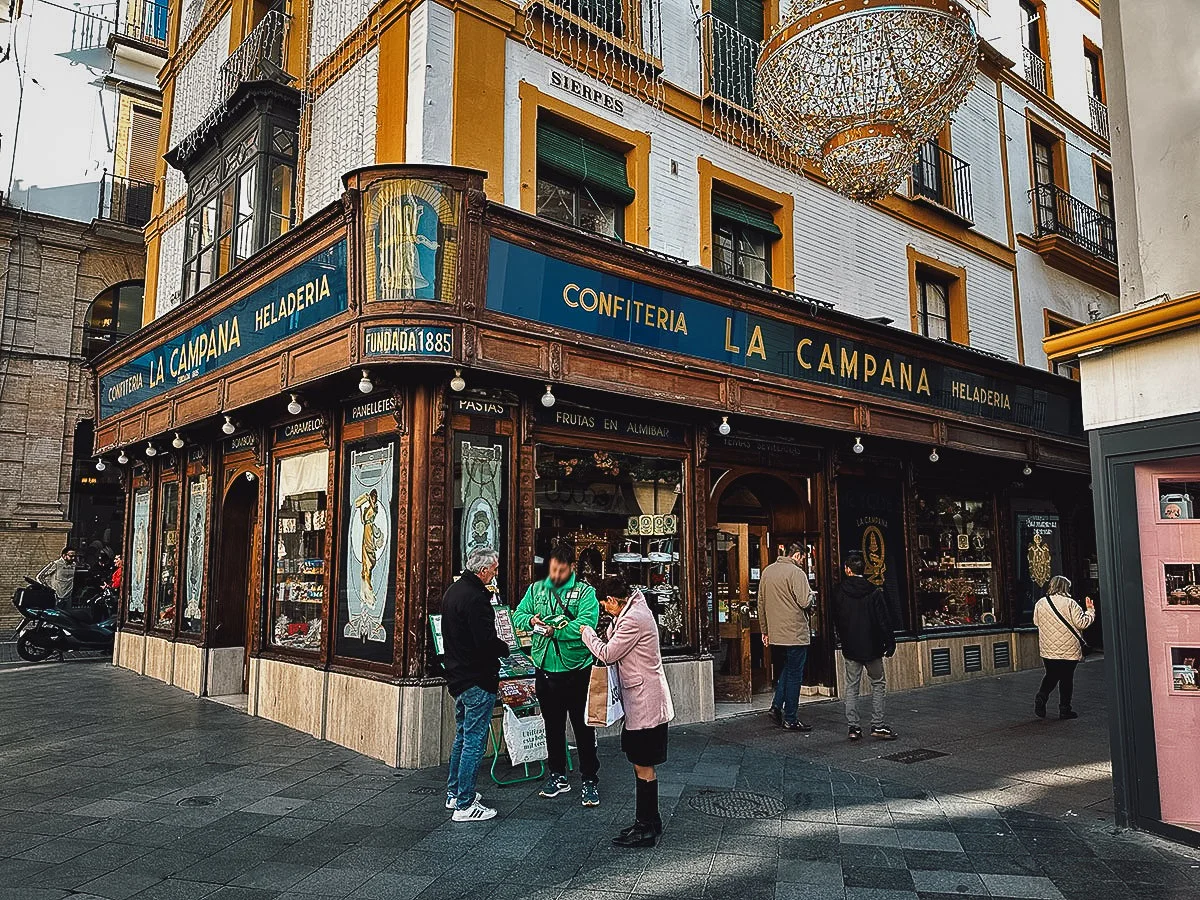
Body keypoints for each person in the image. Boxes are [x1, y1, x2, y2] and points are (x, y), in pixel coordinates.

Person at [581, 577, 674, 847]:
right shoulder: (632, 612)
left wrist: (586, 633)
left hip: (644, 701)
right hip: (642, 699)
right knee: (641, 762)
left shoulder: (634, 618)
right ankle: (649, 821)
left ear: (612, 600)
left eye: (604, 605)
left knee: (642, 763)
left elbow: (608, 653)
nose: (604, 610)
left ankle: (645, 828)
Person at [513, 543, 601, 806]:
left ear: (572, 568)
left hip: (577, 670)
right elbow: (518, 614)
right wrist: (531, 622)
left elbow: (586, 623)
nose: (557, 575)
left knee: (583, 728)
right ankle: (557, 775)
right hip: (545, 668)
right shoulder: (536, 589)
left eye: (562, 570)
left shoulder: (586, 593)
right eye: (553, 570)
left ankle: (589, 779)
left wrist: (555, 630)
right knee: (552, 726)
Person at [441, 546, 509, 822]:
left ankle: (455, 792)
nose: (495, 573)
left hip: (459, 675)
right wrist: (503, 648)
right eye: (493, 569)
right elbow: (484, 641)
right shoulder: (476, 598)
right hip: (477, 678)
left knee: (462, 735)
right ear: (482, 571)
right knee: (474, 740)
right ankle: (465, 804)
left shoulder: (454, 591)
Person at [832, 552, 897, 741]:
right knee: (878, 683)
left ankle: (853, 727)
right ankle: (877, 724)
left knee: (851, 686)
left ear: (847, 569)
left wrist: (840, 637)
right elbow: (883, 619)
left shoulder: (839, 591)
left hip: (851, 645)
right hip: (872, 646)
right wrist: (890, 642)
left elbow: (836, 618)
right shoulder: (874, 590)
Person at [759, 542, 814, 731]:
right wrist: (813, 596)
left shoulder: (767, 571)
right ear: (797, 555)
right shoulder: (796, 573)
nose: (803, 562)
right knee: (794, 675)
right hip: (795, 633)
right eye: (803, 558)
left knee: (786, 670)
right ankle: (790, 717)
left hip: (776, 634)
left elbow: (761, 603)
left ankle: (776, 706)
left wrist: (765, 630)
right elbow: (805, 601)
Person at [1033, 575, 1095, 720]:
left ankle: (1041, 696)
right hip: (1069, 649)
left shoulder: (1041, 603)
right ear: (1066, 587)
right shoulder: (1070, 603)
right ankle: (1064, 709)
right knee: (1066, 678)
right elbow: (1082, 623)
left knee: (1051, 674)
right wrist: (1090, 611)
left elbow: (1036, 622)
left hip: (1048, 648)